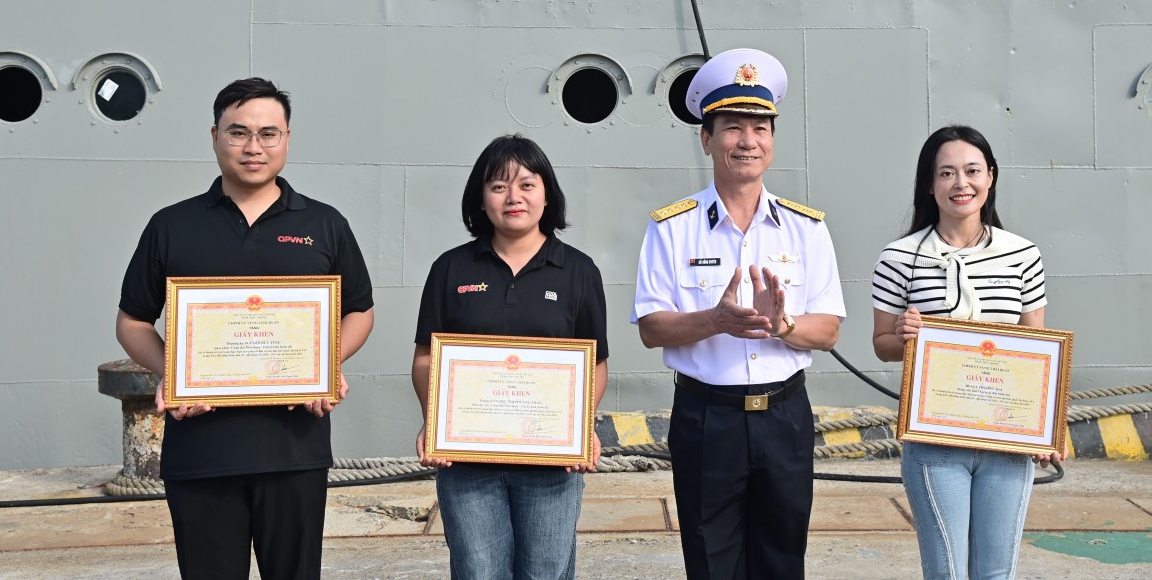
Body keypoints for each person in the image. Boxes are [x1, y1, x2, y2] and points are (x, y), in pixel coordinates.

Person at [115, 77, 374, 580]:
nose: (253, 147)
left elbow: (359, 311)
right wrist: (174, 371)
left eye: (268, 133)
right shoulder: (171, 225)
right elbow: (132, 321)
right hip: (201, 449)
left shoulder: (324, 224)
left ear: (287, 139)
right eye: (238, 132)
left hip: (294, 448)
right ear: (214, 135)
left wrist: (328, 364)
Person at [632, 48, 846, 580]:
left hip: (785, 417)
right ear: (706, 139)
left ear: (771, 141)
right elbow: (652, 328)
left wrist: (784, 326)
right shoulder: (671, 228)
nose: (747, 141)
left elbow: (829, 328)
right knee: (711, 562)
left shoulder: (807, 229)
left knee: (782, 560)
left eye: (760, 128)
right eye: (731, 128)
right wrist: (715, 320)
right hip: (708, 419)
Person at [411, 134, 609, 580]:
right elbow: (427, 357)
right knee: (478, 571)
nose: (513, 197)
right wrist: (434, 419)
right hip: (468, 465)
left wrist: (584, 426)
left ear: (547, 195)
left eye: (526, 184)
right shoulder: (451, 268)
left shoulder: (578, 271)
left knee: (545, 571)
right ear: (480, 200)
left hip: (551, 465)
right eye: (498, 186)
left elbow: (595, 362)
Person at [871, 125, 1063, 580]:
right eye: (947, 173)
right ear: (929, 183)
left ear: (991, 176)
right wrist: (905, 333)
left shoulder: (1022, 254)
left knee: (997, 574)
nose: (962, 184)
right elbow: (882, 346)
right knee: (947, 572)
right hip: (936, 442)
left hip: (1006, 442)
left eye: (973, 170)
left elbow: (1036, 345)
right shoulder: (899, 257)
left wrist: (1046, 430)